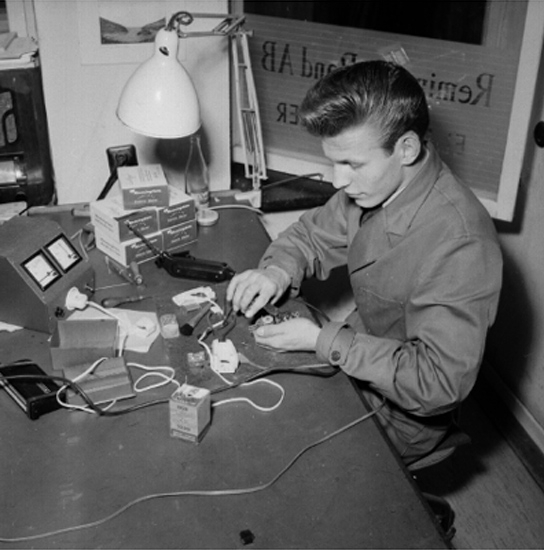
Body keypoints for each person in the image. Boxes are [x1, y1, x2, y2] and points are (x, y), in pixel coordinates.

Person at [226, 60, 502, 464]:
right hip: (358, 354)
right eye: (333, 162)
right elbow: (309, 235)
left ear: (406, 149)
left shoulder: (461, 244)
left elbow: (437, 383)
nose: (338, 181)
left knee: (273, 450)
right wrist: (276, 271)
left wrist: (321, 340)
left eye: (352, 165)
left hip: (403, 413)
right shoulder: (378, 186)